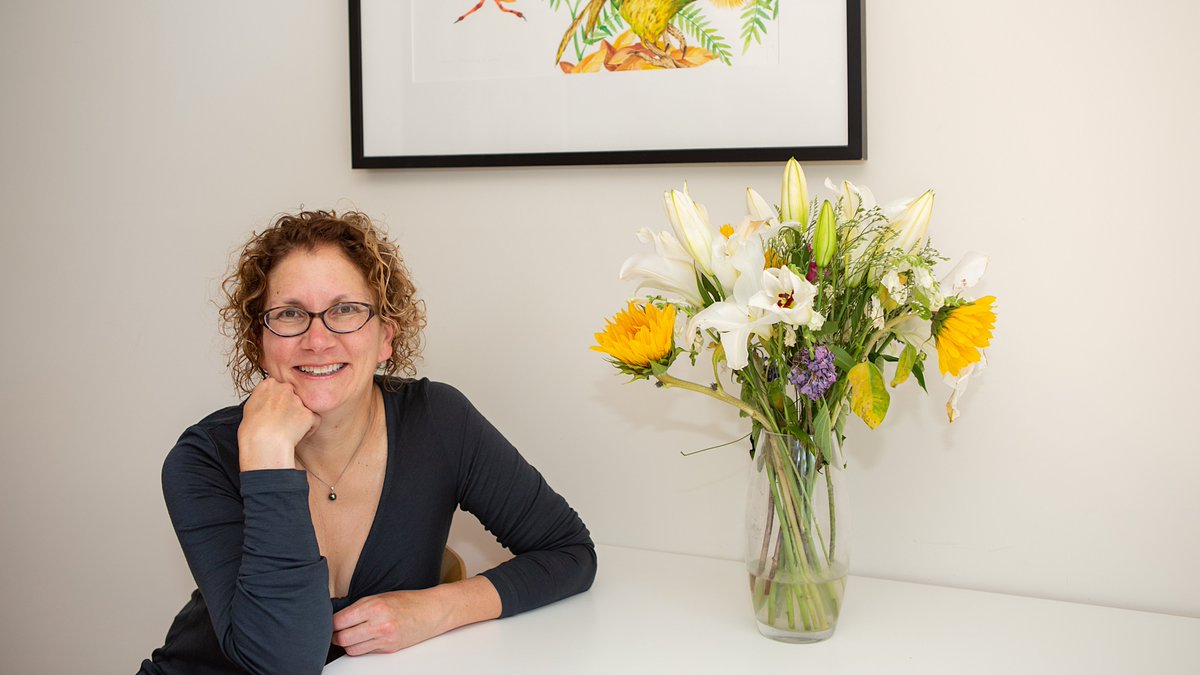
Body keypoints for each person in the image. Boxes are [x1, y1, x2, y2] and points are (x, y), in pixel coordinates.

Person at [139, 211, 596, 674]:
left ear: (385, 338)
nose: (318, 340)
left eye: (345, 310)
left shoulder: (437, 421)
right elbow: (283, 662)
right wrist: (267, 458)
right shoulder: (203, 459)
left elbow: (568, 551)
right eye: (290, 314)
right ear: (260, 343)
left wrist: (437, 609)